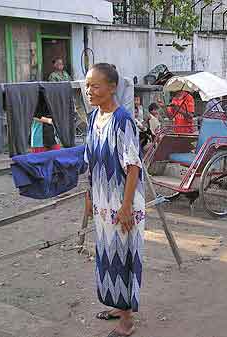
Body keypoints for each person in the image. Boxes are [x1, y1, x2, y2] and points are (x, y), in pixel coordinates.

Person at [84, 63, 144, 336]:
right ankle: (117, 306)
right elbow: (91, 162)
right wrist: (89, 196)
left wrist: (127, 207)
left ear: (112, 87)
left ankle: (127, 321)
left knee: (124, 256)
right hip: (102, 204)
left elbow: (133, 166)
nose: (89, 91)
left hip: (122, 204)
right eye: (87, 85)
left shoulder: (124, 120)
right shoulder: (93, 118)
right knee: (106, 255)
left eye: (95, 86)